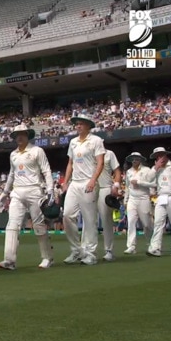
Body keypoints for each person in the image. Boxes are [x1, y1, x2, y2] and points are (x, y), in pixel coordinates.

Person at [0, 124, 54, 270]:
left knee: (39, 225)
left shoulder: (37, 151)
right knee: (12, 225)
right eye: (16, 135)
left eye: (22, 134)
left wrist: (50, 190)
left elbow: (46, 170)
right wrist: (5, 192)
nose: (19, 137)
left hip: (35, 191)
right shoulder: (13, 154)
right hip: (17, 192)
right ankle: (9, 260)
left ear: (27, 135)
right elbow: (12, 174)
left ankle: (47, 258)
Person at [61, 113, 105, 266]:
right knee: (67, 215)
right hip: (75, 183)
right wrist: (65, 182)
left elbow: (100, 163)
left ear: (88, 125)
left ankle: (91, 253)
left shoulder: (96, 140)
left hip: (89, 182)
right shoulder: (73, 142)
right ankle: (76, 250)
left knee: (89, 219)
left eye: (81, 123)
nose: (78, 126)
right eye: (76, 124)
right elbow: (70, 164)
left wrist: (93, 180)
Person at [146, 147, 171, 257]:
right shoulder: (155, 168)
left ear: (166, 155)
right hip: (160, 197)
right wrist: (156, 168)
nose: (160, 158)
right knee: (158, 223)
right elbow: (148, 179)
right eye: (158, 156)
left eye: (162, 155)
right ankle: (156, 248)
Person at [123, 152, 154, 254]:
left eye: (136, 159)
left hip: (143, 198)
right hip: (132, 199)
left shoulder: (147, 170)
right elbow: (127, 187)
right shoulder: (128, 172)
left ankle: (151, 243)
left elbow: (153, 184)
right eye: (132, 159)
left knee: (146, 224)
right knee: (131, 222)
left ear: (140, 160)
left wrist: (140, 183)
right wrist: (125, 199)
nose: (134, 161)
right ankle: (131, 246)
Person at [95, 149, 121, 261]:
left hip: (105, 188)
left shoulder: (109, 153)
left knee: (106, 221)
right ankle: (87, 250)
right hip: (90, 189)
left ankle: (109, 250)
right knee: (89, 221)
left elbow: (117, 171)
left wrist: (115, 186)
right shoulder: (88, 153)